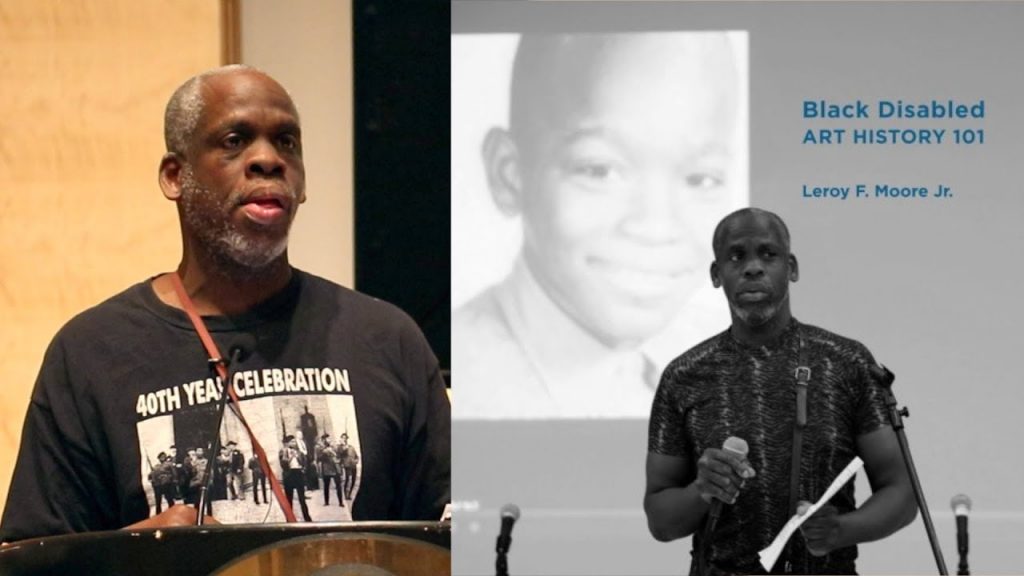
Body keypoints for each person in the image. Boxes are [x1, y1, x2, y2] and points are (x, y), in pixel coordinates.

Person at [0, 65, 450, 542]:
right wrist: (133, 556)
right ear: (176, 176)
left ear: (302, 183)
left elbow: (460, 538)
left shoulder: (385, 339)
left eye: (287, 142)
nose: (268, 159)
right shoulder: (89, 353)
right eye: (235, 140)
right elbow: (32, 558)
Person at [452, 32, 746, 419]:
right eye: (600, 170)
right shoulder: (460, 386)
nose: (655, 226)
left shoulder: (735, 359)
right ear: (509, 175)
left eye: (700, 178)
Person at [644, 208, 917, 574]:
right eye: (736, 256)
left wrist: (841, 530)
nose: (753, 267)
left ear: (791, 268)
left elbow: (902, 492)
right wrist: (702, 491)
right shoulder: (684, 376)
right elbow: (661, 521)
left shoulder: (847, 363)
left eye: (768, 254)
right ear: (715, 274)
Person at [279, 435, 313, 522]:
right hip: (289, 475)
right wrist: (291, 456)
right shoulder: (283, 451)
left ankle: (307, 517)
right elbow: (283, 464)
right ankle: (289, 519)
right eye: (292, 442)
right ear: (287, 443)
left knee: (302, 498)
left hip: (298, 473)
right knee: (289, 498)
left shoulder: (298, 451)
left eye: (294, 442)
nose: (294, 443)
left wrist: (303, 469)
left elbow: (304, 461)